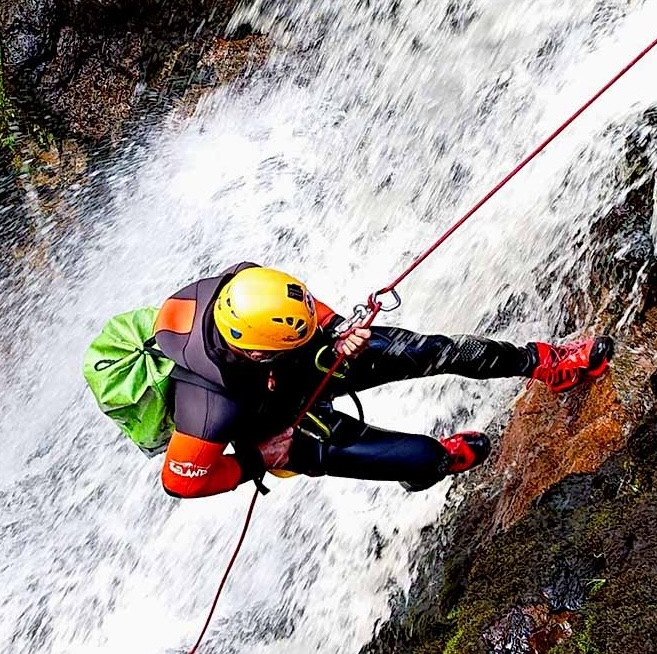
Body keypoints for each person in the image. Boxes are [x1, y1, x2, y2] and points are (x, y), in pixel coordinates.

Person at [153, 262, 614, 498]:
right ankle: (430, 465)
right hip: (280, 429)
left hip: (311, 360)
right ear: (257, 351)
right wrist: (255, 461)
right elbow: (182, 482)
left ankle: (543, 362)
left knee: (434, 351)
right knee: (421, 459)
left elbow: (307, 308)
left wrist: (334, 331)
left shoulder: (252, 286)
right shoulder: (208, 408)